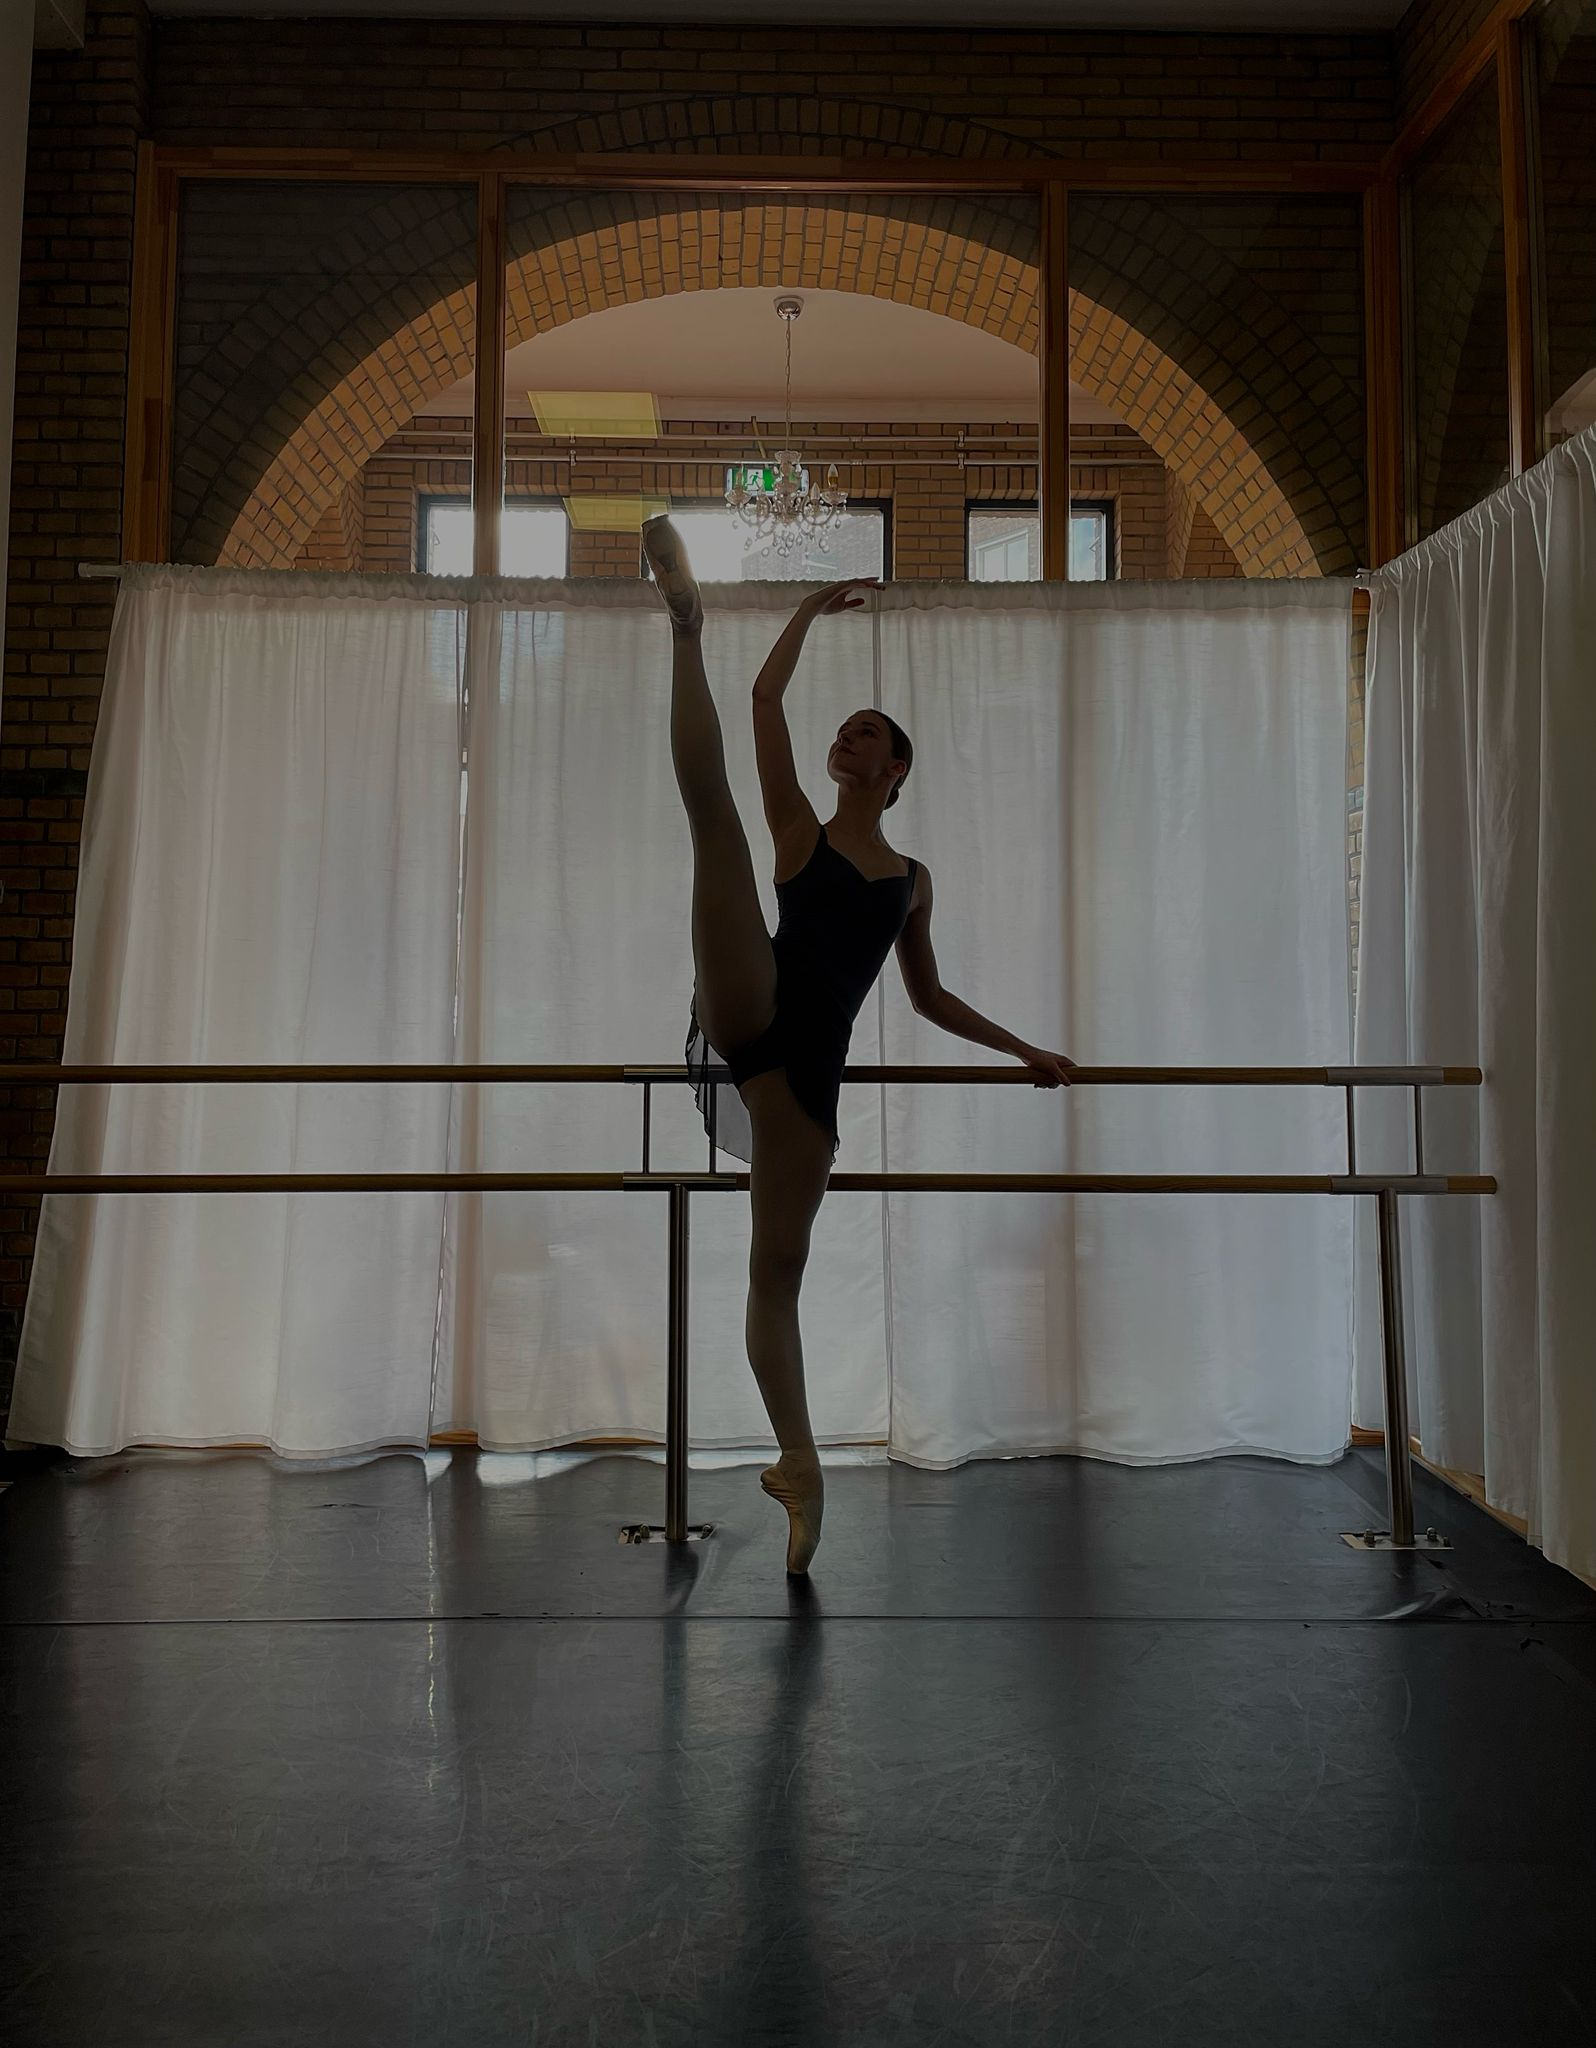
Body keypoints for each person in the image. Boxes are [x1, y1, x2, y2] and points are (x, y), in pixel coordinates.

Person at [640, 513, 1076, 1574]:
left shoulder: (914, 878)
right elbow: (765, 703)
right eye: (845, 730)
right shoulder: (804, 827)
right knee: (718, 826)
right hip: (755, 997)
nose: (849, 739)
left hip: (810, 1086)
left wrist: (1027, 1051)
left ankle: (799, 1462)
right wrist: (801, 609)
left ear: (897, 769)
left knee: (773, 1276)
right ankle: (684, 625)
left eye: (868, 734)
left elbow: (929, 997)